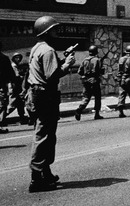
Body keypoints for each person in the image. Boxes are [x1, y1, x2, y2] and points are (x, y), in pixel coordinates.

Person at [26, 16, 77, 192]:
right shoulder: (47, 50)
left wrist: (62, 60)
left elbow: (46, 71)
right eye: (54, 30)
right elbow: (52, 76)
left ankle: (45, 172)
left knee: (46, 135)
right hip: (45, 95)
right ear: (47, 32)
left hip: (38, 94)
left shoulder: (37, 48)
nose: (56, 32)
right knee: (44, 136)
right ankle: (37, 178)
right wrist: (68, 64)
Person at [75, 45, 105, 121]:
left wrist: (85, 75)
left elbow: (79, 71)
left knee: (86, 97)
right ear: (95, 52)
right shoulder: (97, 60)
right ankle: (97, 114)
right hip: (94, 81)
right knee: (97, 97)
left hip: (86, 81)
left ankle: (79, 109)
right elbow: (101, 71)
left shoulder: (85, 60)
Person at [8, 52, 30, 125]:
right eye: (16, 58)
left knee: (20, 103)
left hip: (17, 87)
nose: (18, 59)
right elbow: (16, 78)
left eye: (19, 58)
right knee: (12, 105)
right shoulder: (14, 66)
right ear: (13, 59)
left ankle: (22, 117)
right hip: (15, 87)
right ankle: (2, 117)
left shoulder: (17, 66)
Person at [0, 44, 14, 130]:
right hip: (1, 84)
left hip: (2, 84)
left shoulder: (4, 58)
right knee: (2, 104)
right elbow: (10, 73)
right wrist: (12, 82)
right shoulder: (4, 58)